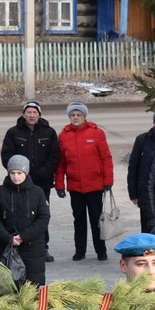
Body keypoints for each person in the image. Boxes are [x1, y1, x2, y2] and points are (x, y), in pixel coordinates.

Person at [0, 100, 61, 260]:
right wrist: (19, 174)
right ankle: (18, 243)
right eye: (29, 112)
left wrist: (42, 174)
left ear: (39, 114)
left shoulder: (49, 132)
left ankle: (43, 247)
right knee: (20, 214)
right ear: (23, 114)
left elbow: (55, 156)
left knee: (41, 215)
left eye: (34, 112)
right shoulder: (13, 133)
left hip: (42, 183)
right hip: (18, 183)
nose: (31, 115)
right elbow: (6, 156)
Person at [54, 101, 114, 261]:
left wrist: (108, 181)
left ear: (84, 116)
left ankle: (101, 250)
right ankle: (80, 250)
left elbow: (106, 158)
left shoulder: (96, 133)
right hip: (75, 186)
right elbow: (60, 164)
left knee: (96, 219)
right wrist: (59, 185)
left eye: (78, 115)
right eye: (72, 115)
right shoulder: (63, 136)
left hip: (95, 185)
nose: (75, 118)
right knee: (78, 219)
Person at [0, 155, 51, 286]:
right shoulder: (0, 192)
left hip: (32, 248)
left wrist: (23, 236)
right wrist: (8, 238)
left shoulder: (37, 192)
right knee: (7, 286)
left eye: (19, 173)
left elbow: (43, 218)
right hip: (6, 247)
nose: (16, 177)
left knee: (31, 287)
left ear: (26, 173)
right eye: (12, 173)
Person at [126, 109, 155, 228]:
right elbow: (133, 167)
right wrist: (133, 193)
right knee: (147, 231)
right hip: (146, 194)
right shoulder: (142, 140)